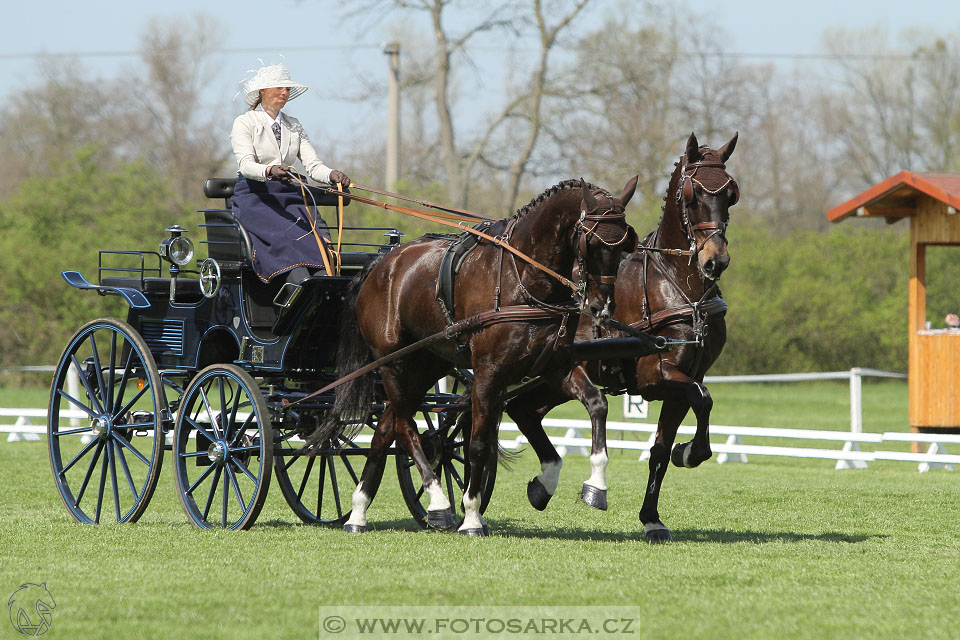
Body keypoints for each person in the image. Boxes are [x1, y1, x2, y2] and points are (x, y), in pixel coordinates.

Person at [230, 60, 351, 288]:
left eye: (287, 89)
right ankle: (296, 294)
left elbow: (313, 166)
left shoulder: (294, 126)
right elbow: (245, 164)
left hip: (291, 196)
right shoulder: (244, 123)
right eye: (279, 87)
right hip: (256, 197)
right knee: (288, 242)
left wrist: (332, 175)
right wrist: (269, 170)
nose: (284, 93)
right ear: (262, 90)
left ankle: (322, 290)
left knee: (317, 244)